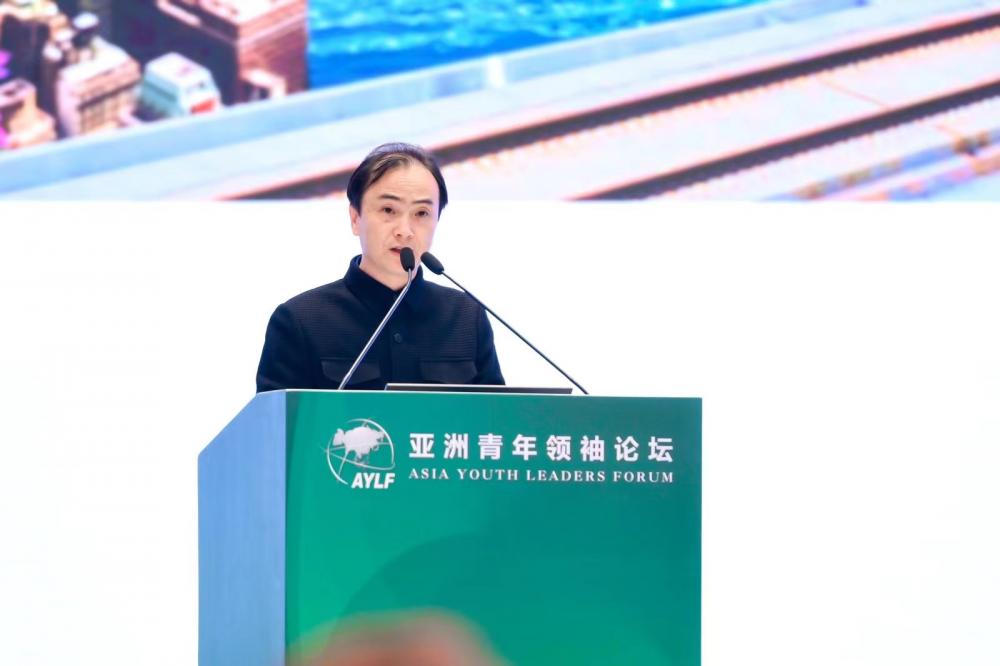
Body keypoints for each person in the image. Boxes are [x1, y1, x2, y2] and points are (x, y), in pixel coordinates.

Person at [256, 142, 504, 391]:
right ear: (355, 218)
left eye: (421, 213)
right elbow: (274, 415)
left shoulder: (467, 318)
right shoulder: (299, 321)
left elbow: (497, 414)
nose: (405, 231)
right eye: (388, 210)